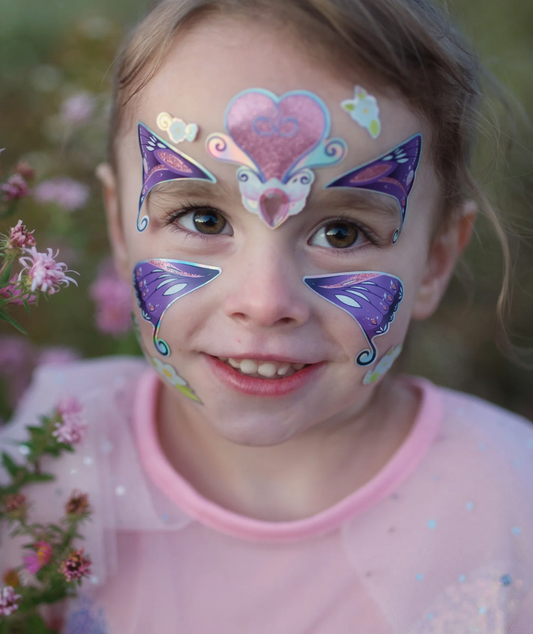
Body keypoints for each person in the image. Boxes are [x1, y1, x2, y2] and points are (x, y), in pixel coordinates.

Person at [1, 0, 532, 631]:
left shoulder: (511, 503)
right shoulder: (51, 464)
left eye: (341, 232)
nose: (265, 300)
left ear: (437, 259)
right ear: (121, 228)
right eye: (201, 218)